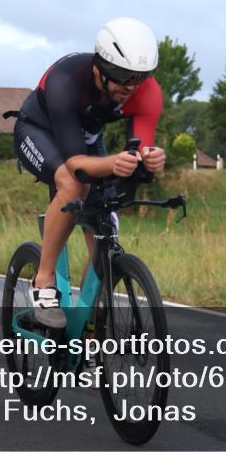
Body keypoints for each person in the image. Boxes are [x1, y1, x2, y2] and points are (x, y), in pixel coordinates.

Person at [12, 17, 166, 328]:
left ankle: (88, 331)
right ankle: (43, 283)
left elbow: (139, 149)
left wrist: (149, 158)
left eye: (140, 78)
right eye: (123, 77)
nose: (131, 87)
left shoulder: (146, 93)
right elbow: (75, 164)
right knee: (72, 184)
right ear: (101, 66)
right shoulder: (66, 81)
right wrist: (111, 163)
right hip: (40, 131)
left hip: (86, 139)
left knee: (105, 230)